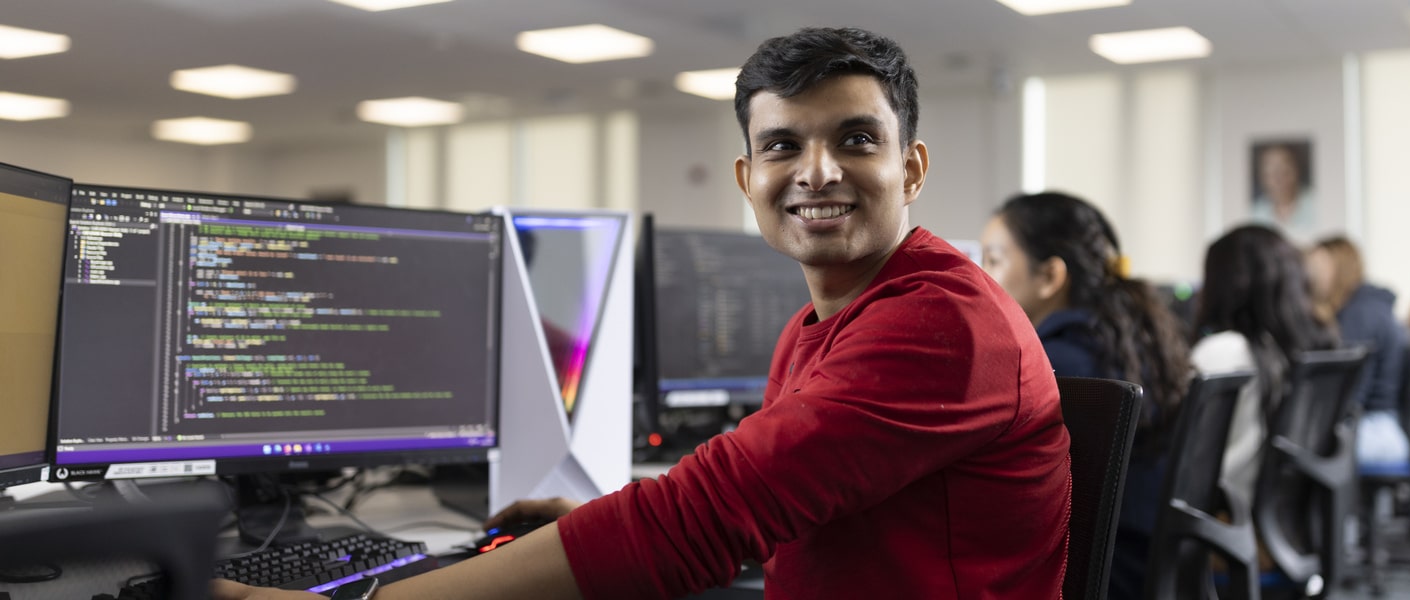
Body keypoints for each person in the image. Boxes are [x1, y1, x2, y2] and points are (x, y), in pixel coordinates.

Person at [215, 27, 1071, 600]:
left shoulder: (941, 323)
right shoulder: (828, 322)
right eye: (781, 145)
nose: (816, 171)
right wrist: (596, 520)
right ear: (748, 181)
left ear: (912, 170)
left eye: (855, 139)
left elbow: (703, 521)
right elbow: (772, 509)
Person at [978, 191, 1189, 600]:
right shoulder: (1129, 343)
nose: (982, 277)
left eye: (994, 260)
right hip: (1148, 566)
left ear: (1050, 277)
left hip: (1102, 578)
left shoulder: (1057, 369)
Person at [1190, 225, 1336, 508]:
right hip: (1283, 515)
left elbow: (1183, 458)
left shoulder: (1222, 353)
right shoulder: (1308, 348)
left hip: (1224, 515)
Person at [1305, 236, 1408, 462]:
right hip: (1384, 424)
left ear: (1338, 267)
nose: (1308, 276)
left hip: (1376, 427)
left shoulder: (1358, 315)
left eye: (1317, 267)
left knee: (1293, 444)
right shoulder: (1369, 306)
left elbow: (1350, 394)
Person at [1250, 143, 1315, 240]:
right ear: (1261, 176)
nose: (1279, 178)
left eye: (1285, 169)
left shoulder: (1315, 203)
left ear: (1297, 169)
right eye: (1271, 171)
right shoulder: (1255, 213)